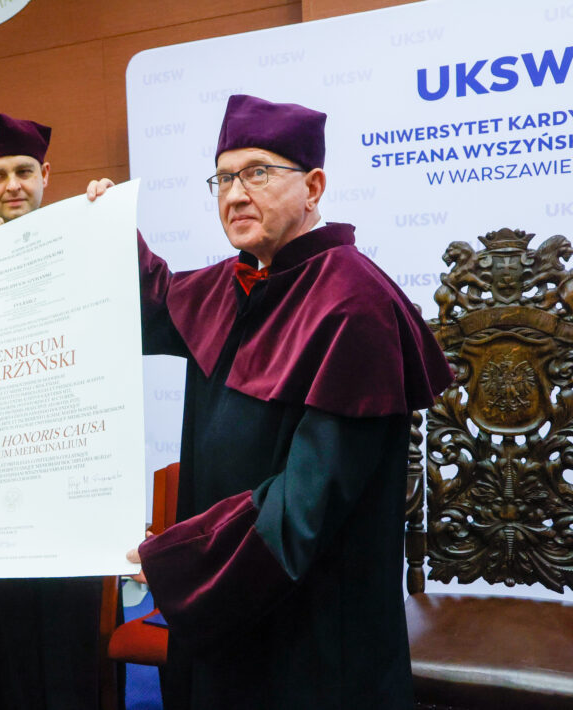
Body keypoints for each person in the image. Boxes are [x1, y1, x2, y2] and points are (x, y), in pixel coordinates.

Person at [88, 95, 453, 708]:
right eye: (224, 177)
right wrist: (89, 233)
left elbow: (306, 505)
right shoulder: (231, 285)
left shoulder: (352, 302)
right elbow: (151, 301)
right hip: (230, 608)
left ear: (313, 187)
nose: (234, 194)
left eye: (258, 172)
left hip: (310, 626)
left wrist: (182, 563)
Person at [0, 113, 121, 710]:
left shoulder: (89, 244)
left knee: (67, 654)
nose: (12, 186)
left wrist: (107, 224)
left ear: (47, 175)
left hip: (66, 496)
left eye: (24, 171)